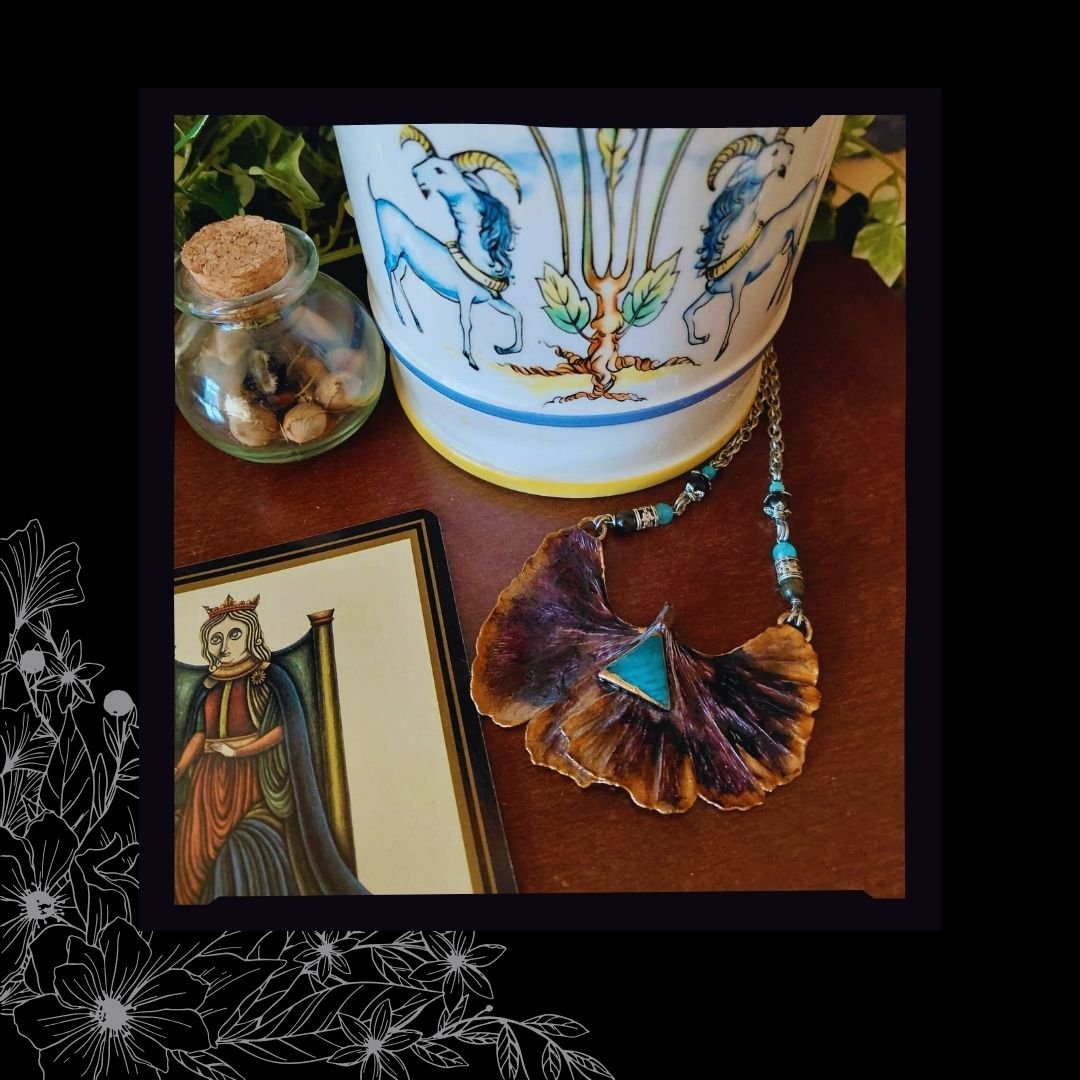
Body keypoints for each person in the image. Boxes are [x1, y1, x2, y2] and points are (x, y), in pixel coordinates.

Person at [174, 594, 367, 902]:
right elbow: (198, 735)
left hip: (251, 776)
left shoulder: (268, 678)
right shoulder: (208, 687)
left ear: (251, 635)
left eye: (234, 634)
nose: (224, 645)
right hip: (206, 783)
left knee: (239, 846)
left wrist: (237, 753)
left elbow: (282, 730)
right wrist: (179, 768)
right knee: (190, 858)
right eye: (216, 638)